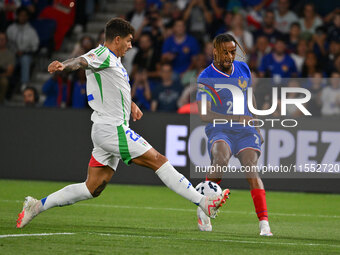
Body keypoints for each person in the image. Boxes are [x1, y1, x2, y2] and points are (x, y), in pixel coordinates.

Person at [16, 18, 230, 229]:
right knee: (159, 160)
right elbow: (81, 61)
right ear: (116, 39)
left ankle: (36, 206)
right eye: (128, 40)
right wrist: (64, 65)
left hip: (106, 128)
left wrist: (130, 104)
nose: (130, 45)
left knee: (92, 188)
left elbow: (113, 88)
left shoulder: (113, 60)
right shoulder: (101, 54)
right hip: (112, 129)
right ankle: (204, 202)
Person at [195, 33, 273, 236]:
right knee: (220, 159)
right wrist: (237, 118)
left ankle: (264, 224)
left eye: (232, 52)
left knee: (251, 169)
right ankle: (204, 207)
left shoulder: (243, 68)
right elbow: (204, 114)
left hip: (246, 130)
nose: (230, 56)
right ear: (215, 51)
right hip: (220, 128)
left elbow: (250, 97)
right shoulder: (206, 77)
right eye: (225, 52)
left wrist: (255, 125)